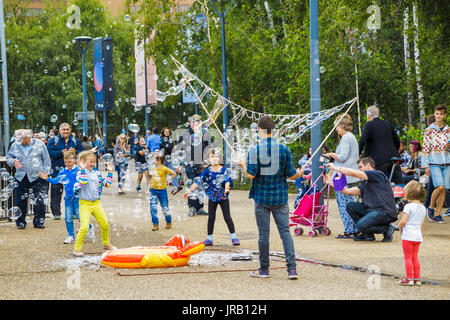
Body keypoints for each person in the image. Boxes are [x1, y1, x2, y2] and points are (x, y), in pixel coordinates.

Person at [238, 116, 301, 280]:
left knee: (263, 235)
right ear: (273, 130)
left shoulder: (254, 150)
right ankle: (292, 270)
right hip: (280, 198)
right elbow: (292, 175)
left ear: (259, 129)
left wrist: (243, 166)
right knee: (285, 233)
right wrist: (300, 173)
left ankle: (264, 269)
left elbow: (250, 175)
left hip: (262, 198)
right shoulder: (284, 149)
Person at [324, 157, 398, 242]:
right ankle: (367, 234)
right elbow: (348, 191)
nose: (359, 170)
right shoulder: (364, 182)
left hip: (384, 212)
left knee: (360, 226)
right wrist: (330, 182)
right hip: (372, 211)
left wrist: (335, 168)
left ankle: (387, 228)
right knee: (351, 206)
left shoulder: (377, 174)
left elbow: (353, 173)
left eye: (360, 167)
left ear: (368, 166)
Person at [184, 148, 239, 246]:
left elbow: (227, 180)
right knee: (211, 218)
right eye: (211, 157)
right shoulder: (207, 171)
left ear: (219, 159)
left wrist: (226, 188)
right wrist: (189, 190)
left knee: (227, 217)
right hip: (212, 197)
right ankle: (209, 238)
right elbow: (198, 181)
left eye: (216, 156)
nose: (214, 159)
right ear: (208, 160)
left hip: (223, 197)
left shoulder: (224, 170)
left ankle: (234, 237)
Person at [39, 151, 95, 244]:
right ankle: (70, 236)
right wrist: (47, 178)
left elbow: (86, 179)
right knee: (68, 218)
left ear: (74, 161)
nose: (67, 164)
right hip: (68, 198)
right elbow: (56, 180)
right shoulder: (63, 171)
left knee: (80, 217)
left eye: (69, 162)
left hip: (78, 198)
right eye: (66, 162)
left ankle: (89, 227)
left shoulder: (78, 170)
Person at [72, 151, 117, 257]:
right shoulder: (80, 173)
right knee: (84, 227)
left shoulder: (97, 173)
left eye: (93, 162)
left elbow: (107, 184)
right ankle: (76, 249)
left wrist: (110, 172)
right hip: (84, 204)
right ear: (83, 162)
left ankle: (106, 244)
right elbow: (83, 182)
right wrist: (82, 169)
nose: (92, 164)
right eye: (90, 162)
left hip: (96, 203)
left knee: (105, 224)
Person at [6, 129, 51, 229]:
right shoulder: (15, 145)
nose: (23, 141)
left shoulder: (39, 144)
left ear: (30, 137)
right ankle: (20, 222)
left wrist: (45, 172)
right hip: (21, 176)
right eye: (21, 139)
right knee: (20, 201)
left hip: (37, 176)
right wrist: (13, 162)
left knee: (39, 200)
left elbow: (46, 159)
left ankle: (39, 221)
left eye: (25, 139)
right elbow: (8, 157)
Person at [324, 114, 359, 239]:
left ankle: (349, 230)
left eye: (336, 127)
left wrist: (331, 154)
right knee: (349, 203)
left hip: (343, 176)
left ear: (341, 125)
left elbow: (343, 157)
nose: (336, 130)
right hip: (350, 175)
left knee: (343, 204)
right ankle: (354, 228)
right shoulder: (351, 137)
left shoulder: (345, 138)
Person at [175, 114, 214, 216]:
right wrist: (179, 164)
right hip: (189, 164)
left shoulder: (205, 133)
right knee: (192, 185)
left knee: (201, 186)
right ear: (190, 123)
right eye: (194, 122)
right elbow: (179, 149)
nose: (196, 124)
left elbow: (211, 146)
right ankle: (192, 207)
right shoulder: (185, 134)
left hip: (202, 165)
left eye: (198, 122)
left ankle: (200, 207)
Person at [47, 123, 84, 220]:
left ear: (70, 130)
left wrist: (75, 152)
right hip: (58, 170)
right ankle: (56, 213)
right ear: (60, 131)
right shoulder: (53, 141)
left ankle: (75, 212)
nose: (66, 131)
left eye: (67, 129)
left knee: (73, 192)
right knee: (56, 192)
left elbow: (82, 152)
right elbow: (49, 152)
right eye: (64, 129)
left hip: (73, 171)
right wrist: (61, 152)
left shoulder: (75, 141)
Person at [358, 105, 403, 184]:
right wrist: (394, 151)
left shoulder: (369, 125)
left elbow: (362, 141)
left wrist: (358, 154)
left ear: (368, 116)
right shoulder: (387, 124)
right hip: (393, 158)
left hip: (377, 161)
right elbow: (397, 141)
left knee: (375, 184)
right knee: (398, 185)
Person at [422, 104, 449, 223]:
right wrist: (425, 165)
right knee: (440, 186)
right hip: (433, 161)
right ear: (435, 114)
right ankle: (431, 207)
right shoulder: (429, 130)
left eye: (441, 114)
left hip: (447, 161)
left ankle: (438, 214)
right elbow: (425, 148)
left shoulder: (448, 129)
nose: (439, 116)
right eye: (437, 114)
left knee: (444, 189)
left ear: (444, 115)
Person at [398, 180, 427, 286]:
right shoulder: (423, 208)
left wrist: (399, 226)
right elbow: (422, 224)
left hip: (408, 235)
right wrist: (419, 233)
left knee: (408, 257)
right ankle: (417, 278)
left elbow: (404, 221)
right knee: (415, 257)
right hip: (417, 235)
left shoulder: (408, 207)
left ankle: (409, 278)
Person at [149, 152, 177, 231]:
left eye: (154, 159)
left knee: (165, 207)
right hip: (153, 190)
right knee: (153, 207)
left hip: (162, 190)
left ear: (159, 160)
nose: (152, 160)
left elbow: (174, 173)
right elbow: (152, 178)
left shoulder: (164, 168)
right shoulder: (153, 168)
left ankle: (168, 221)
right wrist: (149, 187)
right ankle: (155, 224)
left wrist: (168, 179)